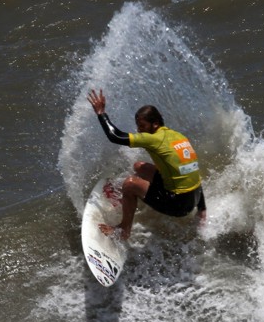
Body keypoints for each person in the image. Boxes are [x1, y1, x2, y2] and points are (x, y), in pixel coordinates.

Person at [87, 89, 206, 240]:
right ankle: (134, 197)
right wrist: (202, 208)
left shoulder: (155, 139)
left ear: (155, 124)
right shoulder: (178, 136)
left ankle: (124, 230)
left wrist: (100, 112)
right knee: (139, 166)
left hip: (179, 205)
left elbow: (115, 136)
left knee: (129, 184)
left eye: (142, 126)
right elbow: (191, 171)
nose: (139, 130)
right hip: (194, 197)